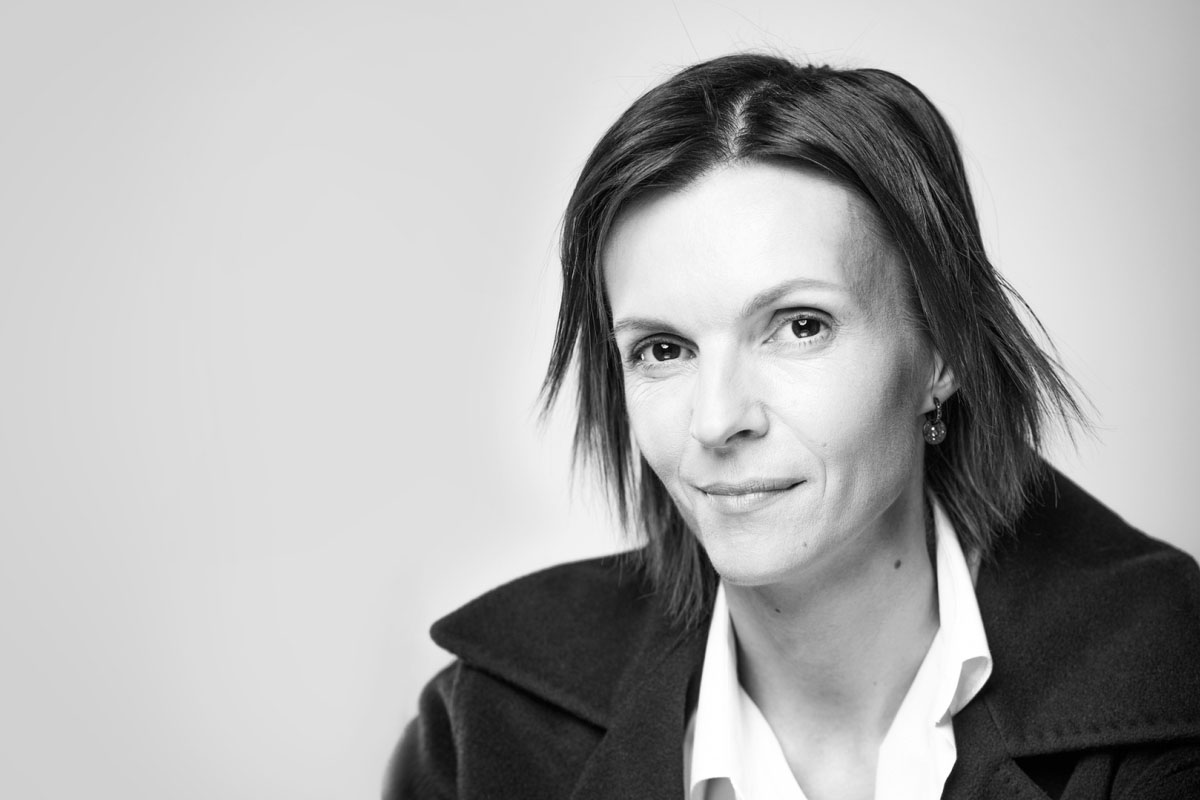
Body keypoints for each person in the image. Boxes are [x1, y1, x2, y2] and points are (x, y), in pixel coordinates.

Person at [386, 54, 1200, 800]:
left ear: (943, 352)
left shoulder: (1170, 687)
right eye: (663, 349)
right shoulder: (488, 727)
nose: (717, 420)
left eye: (800, 326)